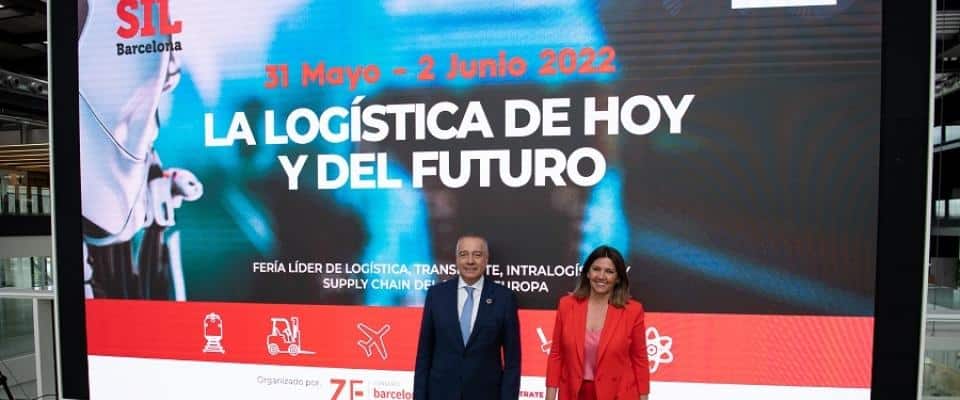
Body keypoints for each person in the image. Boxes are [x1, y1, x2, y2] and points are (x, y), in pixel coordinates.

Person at [414, 235, 521, 400]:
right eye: (464, 254)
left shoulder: (504, 298)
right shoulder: (436, 295)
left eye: (477, 255)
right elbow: (424, 356)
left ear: (486, 259)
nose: (470, 261)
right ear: (456, 259)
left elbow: (512, 362)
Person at [545, 245, 649, 400]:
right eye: (596, 269)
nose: (601, 276)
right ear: (587, 272)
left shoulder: (633, 311)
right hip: (573, 393)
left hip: (618, 394)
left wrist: (644, 397)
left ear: (618, 278)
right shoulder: (566, 305)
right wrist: (550, 397)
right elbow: (556, 354)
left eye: (609, 271)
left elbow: (640, 359)